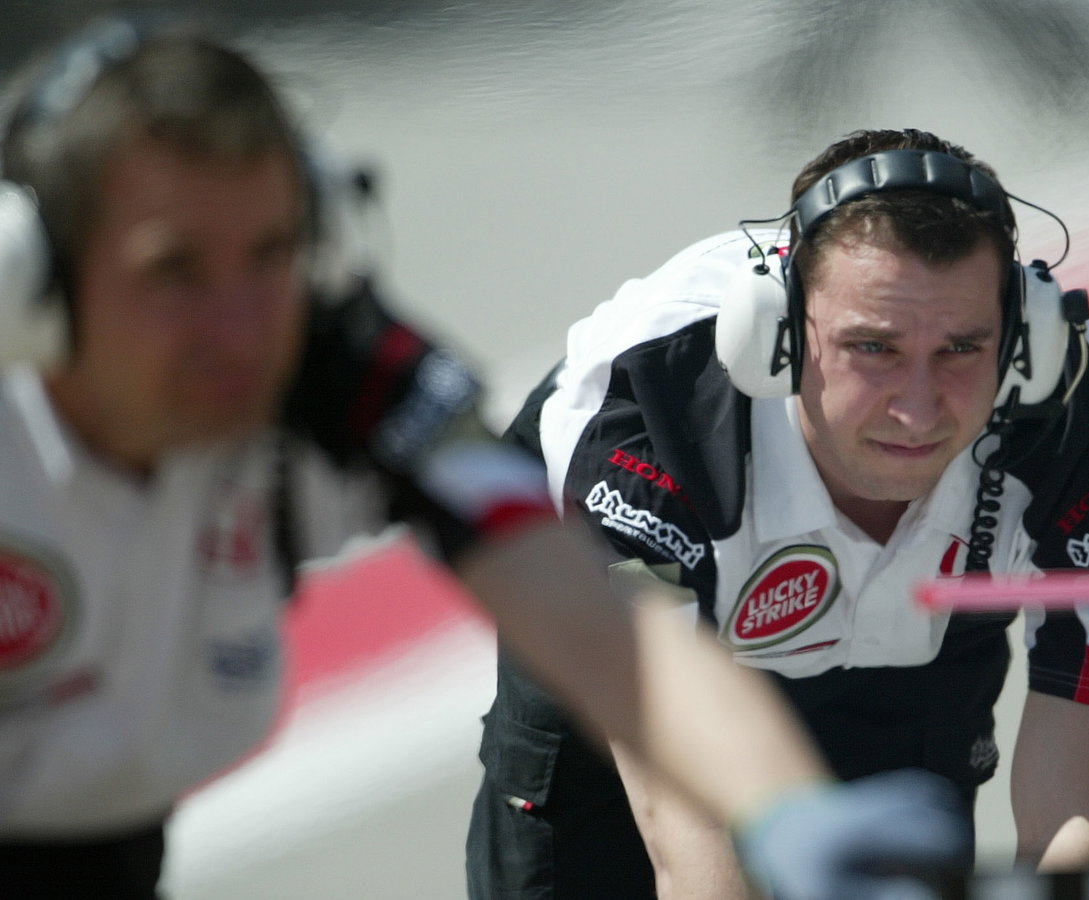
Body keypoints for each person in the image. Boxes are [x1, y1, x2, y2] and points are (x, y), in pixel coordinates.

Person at [0, 19, 971, 899]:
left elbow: (597, 619)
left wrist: (784, 807)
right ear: (31, 279)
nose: (244, 327)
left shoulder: (336, 370)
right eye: (174, 270)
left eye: (273, 253)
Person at [467, 127, 1089, 897]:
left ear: (1024, 345)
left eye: (961, 349)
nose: (917, 410)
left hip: (913, 675)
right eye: (872, 349)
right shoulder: (651, 406)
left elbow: (1086, 788)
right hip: (630, 703)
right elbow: (686, 842)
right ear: (775, 337)